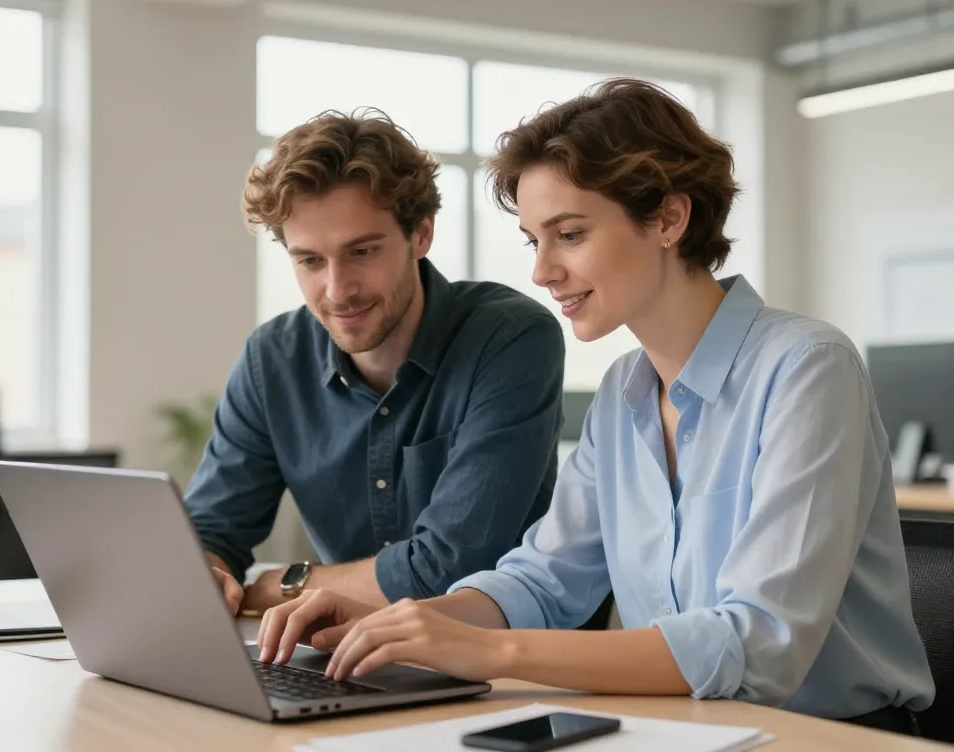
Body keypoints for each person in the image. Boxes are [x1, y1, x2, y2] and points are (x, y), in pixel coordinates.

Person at [255, 80, 936, 733]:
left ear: (669, 217)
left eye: (570, 235)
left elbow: (758, 644)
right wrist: (402, 621)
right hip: (689, 729)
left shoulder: (807, 368)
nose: (541, 270)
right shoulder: (622, 393)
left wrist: (490, 653)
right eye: (534, 240)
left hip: (831, 736)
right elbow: (546, 581)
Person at [183, 109, 565, 616]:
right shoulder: (272, 359)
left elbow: (447, 569)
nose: (337, 290)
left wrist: (284, 585)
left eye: (361, 251)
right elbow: (209, 532)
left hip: (506, 668)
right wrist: (210, 575)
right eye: (309, 260)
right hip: (342, 655)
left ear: (421, 234)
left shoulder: (511, 338)